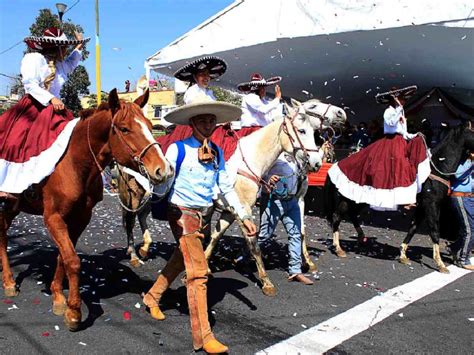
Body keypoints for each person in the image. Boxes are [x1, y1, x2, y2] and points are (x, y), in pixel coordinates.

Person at [143, 98, 257, 353]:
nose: (208, 124)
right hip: (181, 214)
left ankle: (152, 296)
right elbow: (162, 183)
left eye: (212, 120)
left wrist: (244, 216)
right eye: (203, 120)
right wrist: (157, 185)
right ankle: (203, 337)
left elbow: (225, 186)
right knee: (197, 273)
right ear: (192, 122)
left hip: (204, 215)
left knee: (181, 259)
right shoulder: (177, 149)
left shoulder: (216, 152)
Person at [0, 27, 89, 203]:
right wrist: (50, 99)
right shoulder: (34, 59)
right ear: (55, 47)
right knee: (16, 142)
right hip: (34, 106)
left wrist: (79, 47)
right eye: (63, 47)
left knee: (69, 139)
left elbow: (72, 63)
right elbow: (30, 85)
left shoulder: (61, 65)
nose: (65, 51)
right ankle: (5, 188)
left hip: (56, 110)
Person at [328, 85, 430, 210]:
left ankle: (405, 198)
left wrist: (415, 135)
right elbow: (391, 123)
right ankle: (394, 199)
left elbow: (404, 132)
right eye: (401, 98)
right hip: (390, 142)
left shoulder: (401, 112)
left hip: (400, 141)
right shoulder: (389, 111)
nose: (403, 101)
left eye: (403, 99)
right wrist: (399, 109)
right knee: (395, 165)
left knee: (404, 167)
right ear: (395, 99)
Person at [258, 153, 314, 285]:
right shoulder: (275, 154)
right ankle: (243, 256)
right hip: (274, 201)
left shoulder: (298, 157)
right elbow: (260, 172)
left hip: (292, 200)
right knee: (264, 235)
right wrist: (269, 178)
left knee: (295, 234)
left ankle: (295, 271)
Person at [157, 56, 227, 154]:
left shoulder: (210, 93)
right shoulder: (192, 91)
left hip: (209, 124)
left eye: (207, 74)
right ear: (195, 77)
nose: (206, 77)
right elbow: (198, 109)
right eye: (202, 74)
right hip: (195, 125)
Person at [449, 151, 474, 270]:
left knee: (471, 228)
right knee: (469, 229)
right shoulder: (462, 159)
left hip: (470, 197)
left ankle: (454, 248)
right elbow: (458, 175)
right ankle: (463, 259)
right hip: (460, 196)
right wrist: (470, 161)